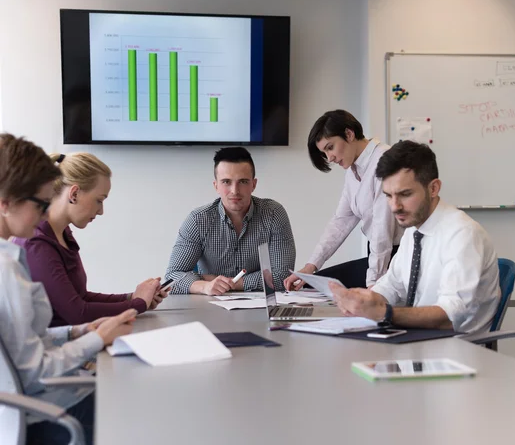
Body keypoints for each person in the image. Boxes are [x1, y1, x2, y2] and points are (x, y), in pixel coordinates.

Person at [0, 133, 137, 445]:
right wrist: (97, 339)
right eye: (41, 203)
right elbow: (36, 371)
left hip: (31, 406)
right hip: (44, 414)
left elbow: (21, 343)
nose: (45, 212)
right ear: (6, 203)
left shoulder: (11, 259)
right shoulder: (7, 270)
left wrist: (77, 332)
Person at [330, 140, 500, 333]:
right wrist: (362, 301)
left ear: (433, 188)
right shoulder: (413, 231)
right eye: (388, 195)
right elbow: (391, 287)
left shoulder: (463, 234)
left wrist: (385, 314)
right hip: (417, 342)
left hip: (453, 351)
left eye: (405, 194)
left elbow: (451, 316)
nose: (395, 206)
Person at [14, 152, 166, 327]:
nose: (101, 211)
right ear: (74, 193)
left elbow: (80, 296)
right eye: (99, 200)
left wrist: (132, 297)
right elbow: (78, 313)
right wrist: (139, 304)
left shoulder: (62, 234)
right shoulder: (37, 243)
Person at [284, 109, 401, 290]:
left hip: (398, 256)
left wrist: (372, 284)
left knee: (326, 288)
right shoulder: (353, 170)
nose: (329, 158)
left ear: (349, 134)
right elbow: (341, 221)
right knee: (311, 283)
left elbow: (382, 231)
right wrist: (311, 266)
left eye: (330, 147)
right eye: (324, 152)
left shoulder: (383, 161)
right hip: (380, 253)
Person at [165, 147, 296, 295]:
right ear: (216, 186)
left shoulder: (273, 214)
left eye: (243, 182)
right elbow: (172, 277)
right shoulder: (198, 220)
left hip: (259, 305)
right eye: (226, 182)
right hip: (208, 305)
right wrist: (205, 286)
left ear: (254, 184)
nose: (235, 190)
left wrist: (228, 282)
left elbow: (282, 277)